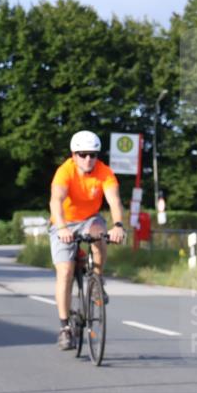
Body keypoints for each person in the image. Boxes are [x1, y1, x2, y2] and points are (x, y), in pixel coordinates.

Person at [49, 131, 126, 349]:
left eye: (92, 154)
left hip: (90, 219)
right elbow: (56, 201)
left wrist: (118, 226)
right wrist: (62, 227)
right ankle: (65, 327)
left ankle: (97, 281)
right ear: (74, 155)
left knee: (100, 233)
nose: (88, 159)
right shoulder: (65, 171)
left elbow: (115, 201)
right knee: (65, 271)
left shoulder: (104, 172)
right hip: (63, 221)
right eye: (82, 154)